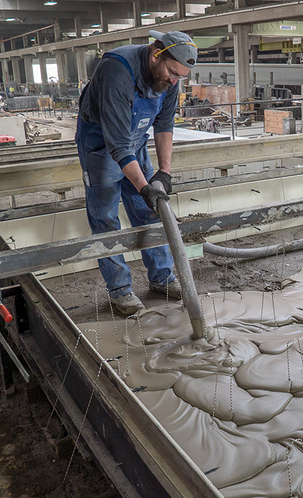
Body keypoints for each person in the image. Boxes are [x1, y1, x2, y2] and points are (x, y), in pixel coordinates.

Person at [75, 30, 196, 315]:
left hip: (136, 142)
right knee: (106, 217)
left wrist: (163, 174)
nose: (174, 80)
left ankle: (162, 277)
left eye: (180, 76)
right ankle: (120, 290)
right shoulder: (118, 69)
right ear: (156, 54)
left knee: (150, 211)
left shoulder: (171, 78)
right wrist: (143, 186)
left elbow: (164, 125)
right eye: (171, 73)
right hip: (101, 143)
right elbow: (116, 144)